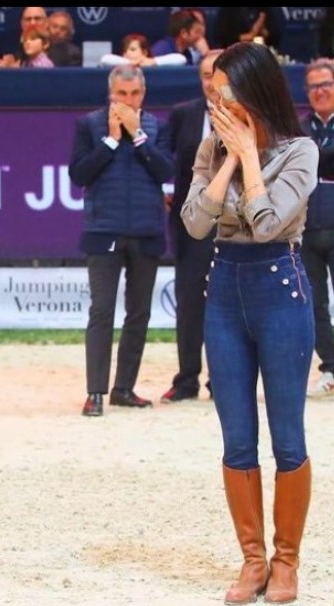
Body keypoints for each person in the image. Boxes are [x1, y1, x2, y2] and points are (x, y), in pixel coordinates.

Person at [181, 42, 318, 603]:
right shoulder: (212, 148)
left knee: (287, 436)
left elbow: (266, 224)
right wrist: (230, 158)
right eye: (214, 92)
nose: (217, 101)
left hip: (280, 291)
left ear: (254, 92)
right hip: (224, 295)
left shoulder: (301, 151)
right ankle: (252, 560)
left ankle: (286, 562)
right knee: (237, 438)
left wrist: (252, 158)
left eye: (226, 91)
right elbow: (194, 223)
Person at [68, 64, 174, 417]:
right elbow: (79, 173)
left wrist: (138, 136)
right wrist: (112, 140)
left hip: (146, 230)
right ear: (110, 94)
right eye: (121, 94)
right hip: (104, 230)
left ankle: (124, 389)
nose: (128, 100)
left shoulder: (158, 126)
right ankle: (95, 392)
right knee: (101, 311)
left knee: (139, 313)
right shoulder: (89, 125)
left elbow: (165, 170)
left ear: (143, 94)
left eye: (134, 94)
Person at [159, 48, 224, 404]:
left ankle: (224, 380)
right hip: (192, 224)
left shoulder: (248, 114)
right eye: (204, 75)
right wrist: (166, 187)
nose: (210, 81)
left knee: (229, 305)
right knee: (188, 304)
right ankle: (187, 380)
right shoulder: (183, 114)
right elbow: (167, 158)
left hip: (236, 225)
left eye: (217, 73)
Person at [300, 58, 334, 398]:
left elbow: (311, 160)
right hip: (307, 230)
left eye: (326, 84)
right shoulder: (297, 128)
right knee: (314, 304)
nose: (321, 91)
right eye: (314, 86)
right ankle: (330, 366)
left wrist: (316, 158)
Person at [213, 8, 284, 50]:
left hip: (262, 54)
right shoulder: (228, 10)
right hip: (234, 55)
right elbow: (220, 36)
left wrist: (263, 31)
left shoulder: (267, 9)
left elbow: (276, 37)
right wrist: (248, 36)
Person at [100, 33, 186, 67]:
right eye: (125, 51)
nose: (127, 53)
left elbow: (181, 59)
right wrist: (131, 63)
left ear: (144, 52)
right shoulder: (120, 65)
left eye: (133, 49)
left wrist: (153, 61)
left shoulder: (153, 64)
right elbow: (104, 59)